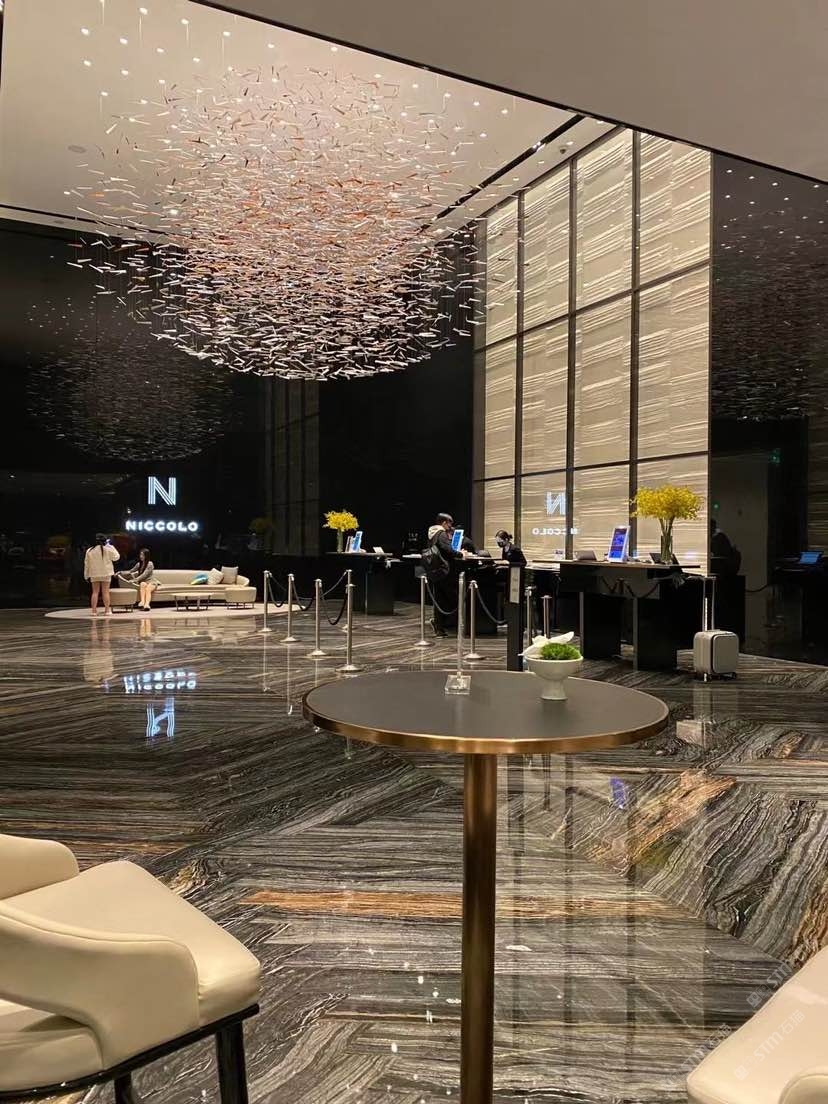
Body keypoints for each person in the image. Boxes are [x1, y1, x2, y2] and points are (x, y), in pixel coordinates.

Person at [425, 513, 474, 636]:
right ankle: (449, 625)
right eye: (449, 524)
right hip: (444, 571)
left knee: (439, 600)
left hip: (435, 571)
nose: (450, 527)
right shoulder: (441, 533)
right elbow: (447, 549)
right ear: (444, 523)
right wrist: (461, 554)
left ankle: (439, 627)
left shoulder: (432, 534)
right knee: (453, 599)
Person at [83, 534, 120, 616]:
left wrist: (86, 575)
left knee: (95, 592)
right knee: (105, 592)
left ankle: (94, 611)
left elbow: (86, 564)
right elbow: (116, 557)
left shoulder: (89, 550)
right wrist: (111, 547)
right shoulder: (107, 549)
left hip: (94, 574)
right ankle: (107, 611)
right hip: (106, 573)